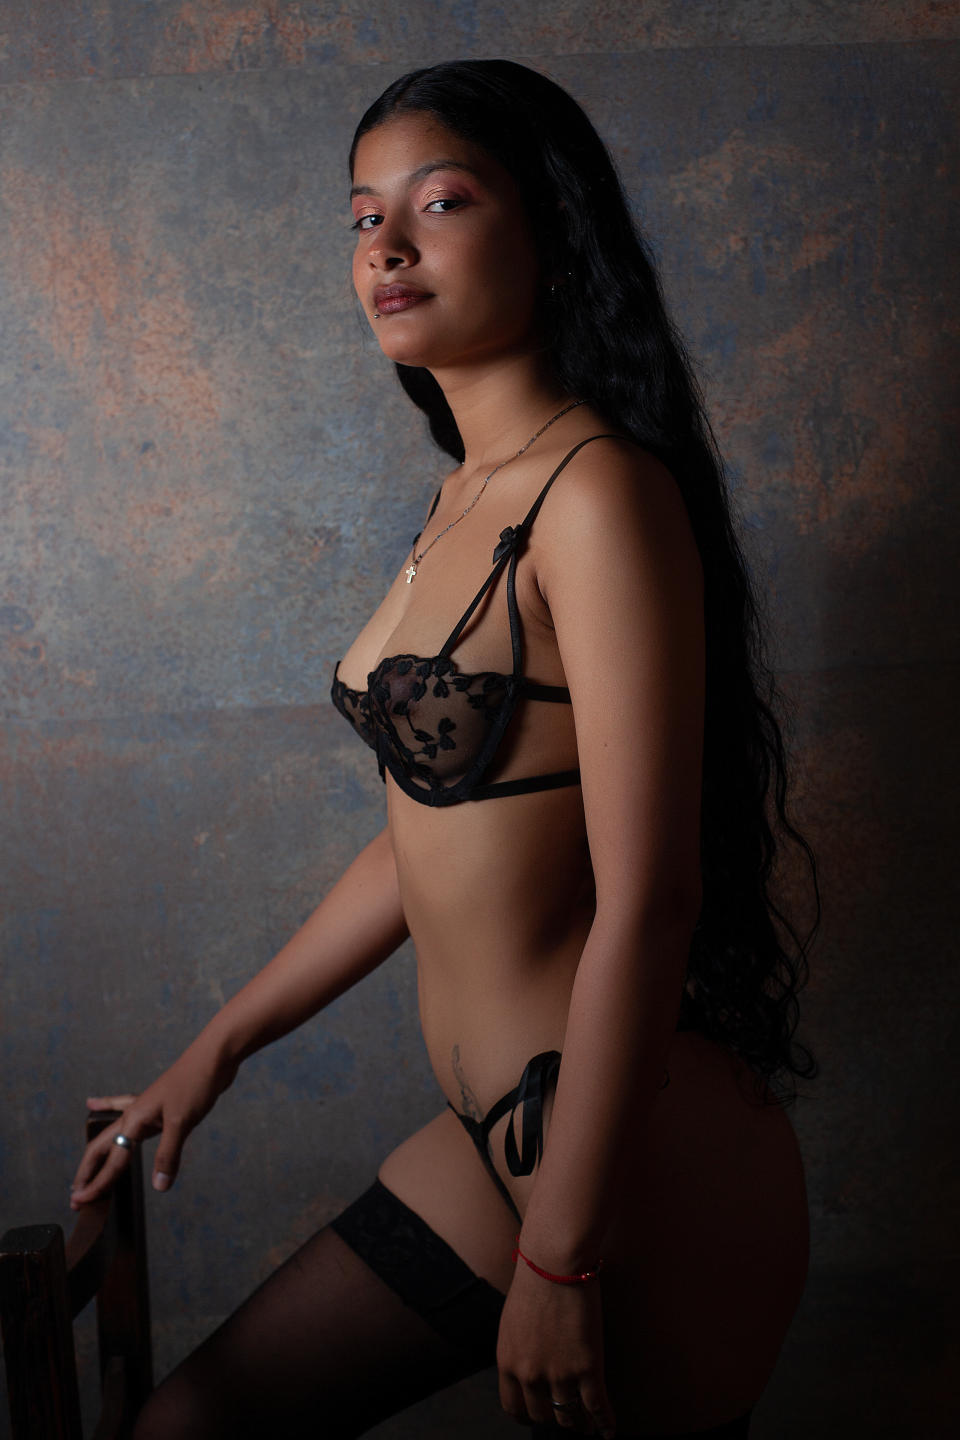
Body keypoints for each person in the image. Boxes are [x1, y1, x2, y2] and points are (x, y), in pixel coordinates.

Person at [70, 58, 819, 1440]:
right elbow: (433, 840)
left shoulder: (595, 495)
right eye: (364, 217)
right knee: (185, 1425)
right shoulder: (467, 497)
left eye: (441, 202)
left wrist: (561, 1258)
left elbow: (652, 900)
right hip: (495, 1144)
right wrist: (219, 1047)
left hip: (621, 1156)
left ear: (553, 235)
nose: (387, 248)